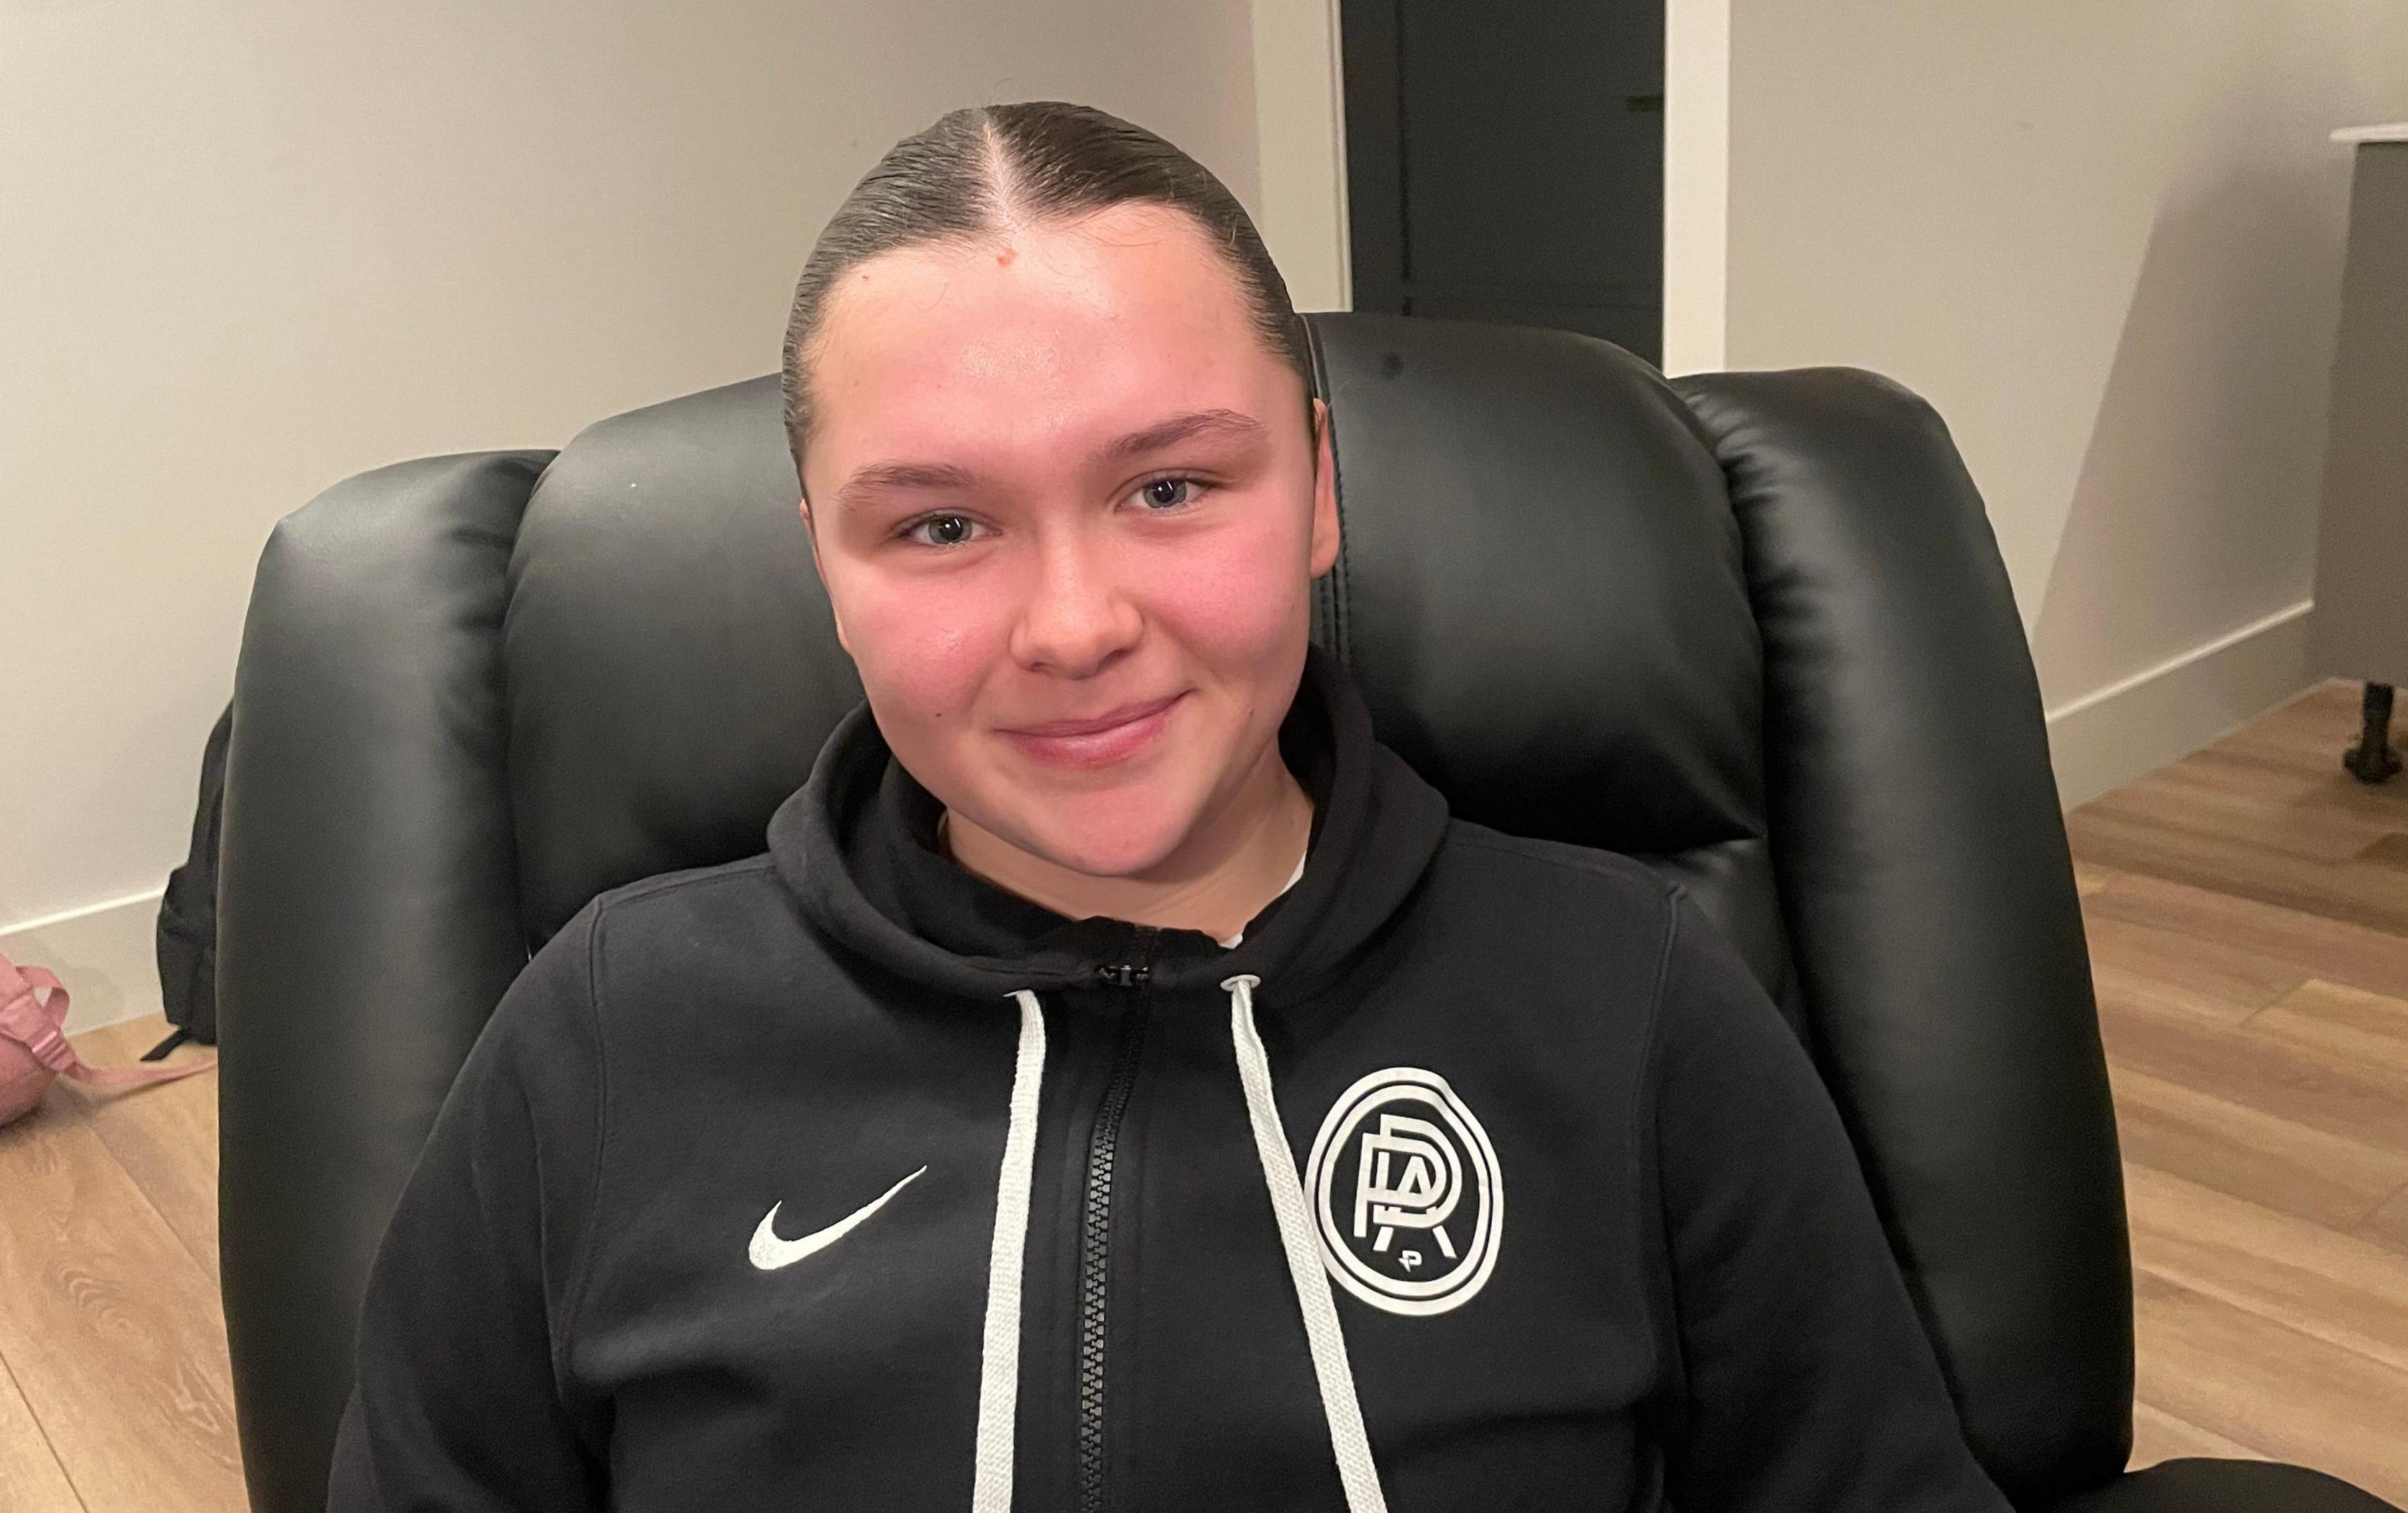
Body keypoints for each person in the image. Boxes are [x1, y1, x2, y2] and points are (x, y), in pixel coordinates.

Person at [327, 101, 2012, 1513]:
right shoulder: (604, 1038)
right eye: (939, 526)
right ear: (824, 570)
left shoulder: (1634, 999)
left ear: (1321, 493)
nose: (1076, 627)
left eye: (1173, 486)